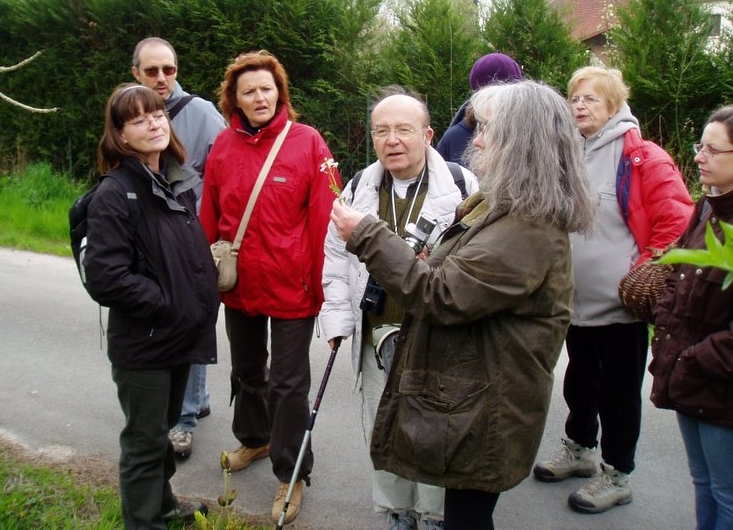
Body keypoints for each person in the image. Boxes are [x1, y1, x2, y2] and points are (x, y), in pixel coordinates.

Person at [329, 80, 596, 530]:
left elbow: (441, 294)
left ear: (520, 140)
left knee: (465, 520)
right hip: (473, 397)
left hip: (484, 406)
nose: (476, 140)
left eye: (487, 128)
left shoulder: (525, 226)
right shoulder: (503, 208)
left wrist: (367, 234)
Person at [533, 66, 693, 513]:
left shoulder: (643, 157)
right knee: (579, 382)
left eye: (591, 99)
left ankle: (618, 474)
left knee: (619, 394)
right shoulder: (569, 153)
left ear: (614, 105)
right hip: (572, 301)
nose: (579, 106)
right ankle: (580, 451)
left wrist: (643, 273)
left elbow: (676, 223)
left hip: (621, 306)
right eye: (575, 98)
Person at [319, 86, 478, 530]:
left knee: (433, 430)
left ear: (427, 134)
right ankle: (396, 512)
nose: (392, 140)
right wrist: (337, 318)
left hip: (436, 337)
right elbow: (334, 259)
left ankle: (433, 515)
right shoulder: (356, 187)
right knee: (382, 427)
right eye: (381, 131)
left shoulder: (464, 186)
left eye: (403, 129)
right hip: (375, 335)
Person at [199, 50, 340, 525]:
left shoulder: (308, 143)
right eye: (248, 91)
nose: (259, 97)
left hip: (292, 285)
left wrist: (324, 288)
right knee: (246, 372)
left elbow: (326, 219)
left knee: (289, 384)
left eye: (266, 88)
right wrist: (205, 277)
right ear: (233, 100)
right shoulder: (222, 145)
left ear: (280, 92)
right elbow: (210, 215)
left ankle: (292, 470)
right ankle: (255, 438)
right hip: (239, 283)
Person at [82, 83, 220, 528]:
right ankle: (144, 521)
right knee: (144, 445)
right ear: (120, 136)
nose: (154, 123)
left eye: (157, 114)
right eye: (138, 119)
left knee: (158, 438)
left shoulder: (174, 182)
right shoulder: (114, 193)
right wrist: (165, 304)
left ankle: (163, 506)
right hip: (144, 343)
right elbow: (107, 277)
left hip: (176, 337)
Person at [131, 36, 226, 459]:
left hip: (195, 240)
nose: (161, 78)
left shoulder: (201, 113)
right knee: (173, 322)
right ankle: (197, 401)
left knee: (191, 323)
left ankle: (184, 420)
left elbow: (227, 171)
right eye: (151, 71)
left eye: (168, 69)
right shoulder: (129, 114)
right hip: (152, 241)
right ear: (136, 73)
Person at [650, 105, 733, 530]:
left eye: (712, 150)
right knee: (703, 482)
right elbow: (673, 274)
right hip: (689, 372)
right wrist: (666, 329)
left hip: (719, 384)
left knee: (726, 493)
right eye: (700, 146)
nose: (698, 156)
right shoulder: (706, 209)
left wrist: (697, 358)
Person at [435, 52, 522, 165]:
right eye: (487, 94)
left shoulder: (530, 137)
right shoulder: (453, 138)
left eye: (502, 95)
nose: (493, 101)